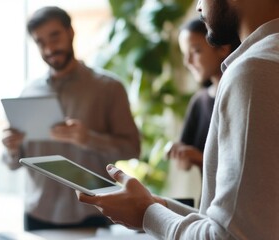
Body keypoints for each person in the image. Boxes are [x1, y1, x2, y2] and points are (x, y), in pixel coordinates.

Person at [78, 0, 279, 238]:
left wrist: (146, 214)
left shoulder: (255, 71)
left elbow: (231, 236)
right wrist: (159, 209)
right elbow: (251, 221)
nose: (198, 6)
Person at [2, 6, 140, 231]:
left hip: (92, 212)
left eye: (55, 36)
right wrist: (11, 148)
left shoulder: (109, 88)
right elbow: (11, 163)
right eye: (40, 42)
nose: (49, 47)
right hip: (37, 213)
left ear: (71, 32)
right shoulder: (28, 93)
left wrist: (88, 138)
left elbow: (132, 149)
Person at [166, 18, 237, 172]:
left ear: (223, 48)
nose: (187, 61)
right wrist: (181, 153)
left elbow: (243, 165)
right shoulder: (199, 102)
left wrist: (199, 157)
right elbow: (184, 166)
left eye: (196, 51)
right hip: (207, 197)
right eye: (185, 54)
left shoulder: (241, 95)